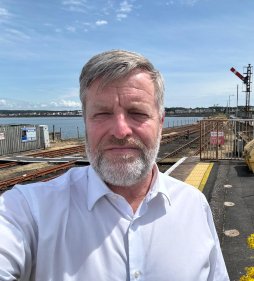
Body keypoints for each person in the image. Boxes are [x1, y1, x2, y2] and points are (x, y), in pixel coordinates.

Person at [0, 50, 229, 280]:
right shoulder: (28, 209)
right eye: (102, 113)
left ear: (160, 123)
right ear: (85, 122)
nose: (120, 131)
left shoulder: (195, 207)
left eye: (137, 113)